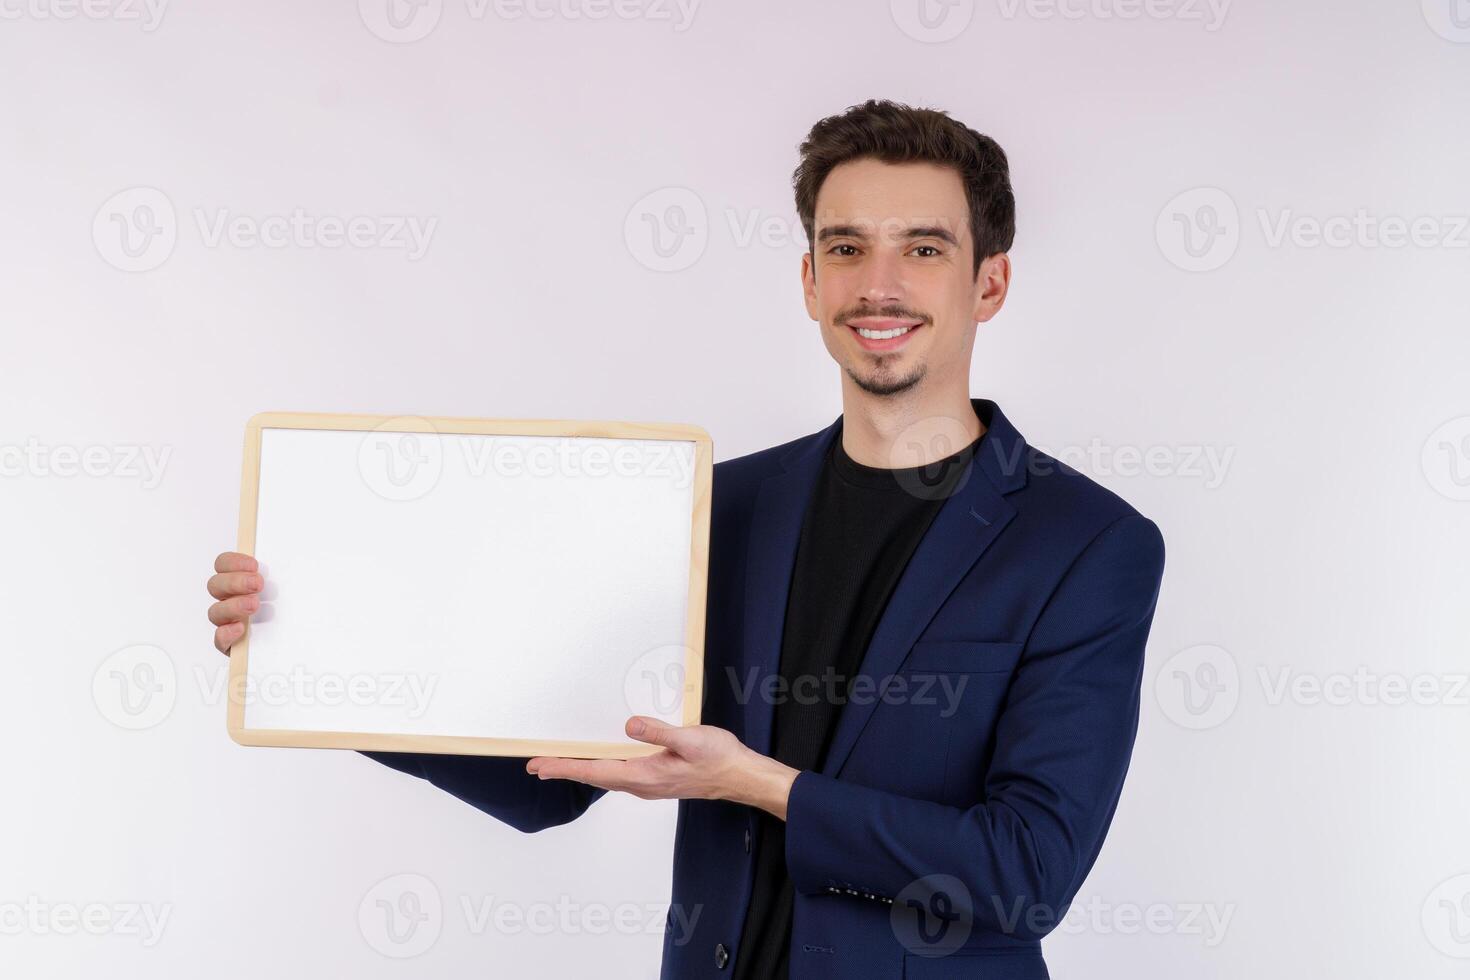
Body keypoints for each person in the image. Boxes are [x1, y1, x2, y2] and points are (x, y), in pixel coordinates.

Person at [206, 99, 1165, 979]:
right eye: (845, 248)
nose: (879, 287)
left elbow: (1026, 872)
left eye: (922, 249)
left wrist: (760, 785)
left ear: (989, 283)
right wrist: (321, 660)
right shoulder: (721, 504)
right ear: (807, 278)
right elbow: (557, 781)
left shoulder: (1088, 545)